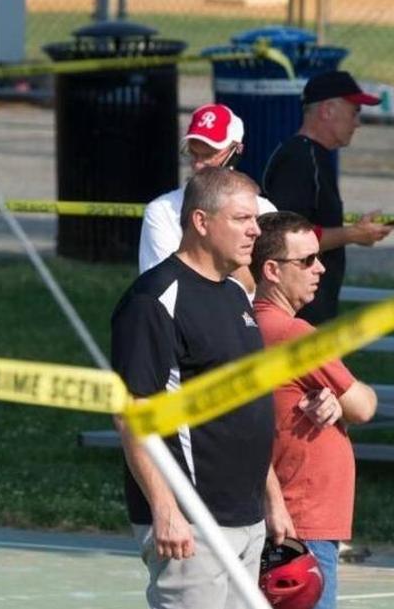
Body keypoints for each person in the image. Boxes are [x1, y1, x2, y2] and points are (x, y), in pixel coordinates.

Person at [112, 166, 291, 609]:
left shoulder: (234, 294)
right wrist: (166, 509)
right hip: (192, 519)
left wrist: (273, 499)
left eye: (256, 220)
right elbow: (133, 413)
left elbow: (247, 405)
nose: (255, 231)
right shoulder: (154, 300)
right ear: (201, 222)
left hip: (245, 516)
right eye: (242, 219)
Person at [250, 211, 378, 609]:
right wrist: (341, 401)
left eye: (318, 256)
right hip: (301, 519)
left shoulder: (247, 324)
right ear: (271, 270)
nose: (319, 268)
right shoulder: (294, 335)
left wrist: (331, 400)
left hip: (282, 513)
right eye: (305, 260)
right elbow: (364, 405)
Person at [261, 70, 394, 325]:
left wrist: (357, 232)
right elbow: (287, 237)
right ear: (328, 110)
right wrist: (353, 235)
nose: (358, 122)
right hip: (296, 316)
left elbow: (311, 227)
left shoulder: (315, 155)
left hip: (311, 310)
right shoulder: (300, 160)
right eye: (354, 112)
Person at [139, 103, 277, 295]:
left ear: (236, 151)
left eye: (209, 155)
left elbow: (271, 292)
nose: (198, 165)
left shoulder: (265, 210)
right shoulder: (161, 210)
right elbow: (161, 291)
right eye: (193, 154)